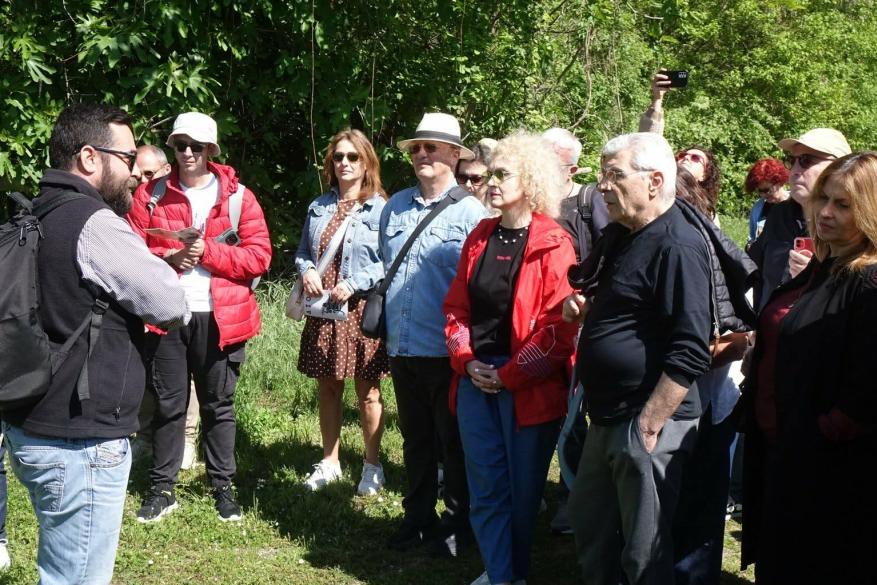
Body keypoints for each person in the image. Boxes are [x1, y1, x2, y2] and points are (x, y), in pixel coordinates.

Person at [1, 103, 188, 585]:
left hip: (31, 423)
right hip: (79, 441)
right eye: (127, 159)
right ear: (89, 157)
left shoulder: (36, 210)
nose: (135, 174)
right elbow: (167, 301)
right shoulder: (94, 222)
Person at [564, 132, 713, 584]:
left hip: (647, 420)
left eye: (615, 175)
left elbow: (691, 348)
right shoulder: (627, 234)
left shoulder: (678, 245)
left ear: (654, 182)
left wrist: (648, 426)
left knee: (644, 553)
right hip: (608, 415)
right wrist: (588, 309)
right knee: (593, 533)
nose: (602, 186)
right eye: (601, 175)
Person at [444, 132, 578, 585]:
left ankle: (512, 571)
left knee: (522, 494)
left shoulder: (554, 243)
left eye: (503, 174)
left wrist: (508, 375)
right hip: (475, 379)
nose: (492, 182)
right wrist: (465, 358)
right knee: (485, 490)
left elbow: (558, 328)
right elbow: (456, 309)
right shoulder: (480, 237)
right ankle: (501, 573)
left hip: (527, 389)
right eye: (490, 174)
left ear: (532, 180)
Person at [127, 112, 272, 523]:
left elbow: (260, 256)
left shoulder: (239, 197)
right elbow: (132, 254)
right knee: (169, 405)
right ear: (171, 147)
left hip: (220, 316)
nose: (187, 152)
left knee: (217, 405)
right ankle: (162, 489)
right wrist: (171, 258)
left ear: (211, 150)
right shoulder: (151, 195)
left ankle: (223, 487)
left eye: (196, 145)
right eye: (179, 145)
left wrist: (208, 252)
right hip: (168, 314)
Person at [741, 152, 877, 585]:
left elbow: (868, 383)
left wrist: (825, 431)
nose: (825, 213)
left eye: (842, 205)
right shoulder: (826, 266)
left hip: (828, 470)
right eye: (823, 201)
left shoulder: (868, 281)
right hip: (788, 447)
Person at [380, 112, 487, 556]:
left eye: (432, 147)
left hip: (446, 351)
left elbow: (479, 288)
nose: (421, 154)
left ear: (454, 155)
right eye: (416, 148)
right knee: (415, 440)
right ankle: (417, 518)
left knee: (454, 443)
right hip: (401, 346)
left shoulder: (472, 211)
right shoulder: (396, 205)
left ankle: (459, 525)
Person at [294, 129, 389, 494]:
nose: (345, 163)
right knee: (328, 388)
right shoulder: (319, 206)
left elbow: (389, 259)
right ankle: (330, 461)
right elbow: (303, 251)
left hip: (361, 311)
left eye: (353, 157)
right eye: (338, 157)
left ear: (367, 162)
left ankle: (372, 464)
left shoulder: (382, 208)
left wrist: (356, 282)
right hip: (323, 309)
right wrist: (307, 271)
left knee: (369, 392)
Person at [131, 145, 202, 469]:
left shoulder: (181, 201)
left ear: (163, 171)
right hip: (140, 299)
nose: (139, 179)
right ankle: (144, 435)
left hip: (181, 304)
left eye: (147, 173)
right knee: (143, 367)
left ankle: (187, 439)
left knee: (184, 374)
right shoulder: (129, 202)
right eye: (136, 173)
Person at [748, 128, 851, 310]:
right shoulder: (779, 215)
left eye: (806, 161)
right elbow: (750, 268)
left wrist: (817, 279)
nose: (794, 171)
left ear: (838, 168)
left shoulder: (855, 225)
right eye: (792, 161)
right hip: (770, 333)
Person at [745, 158, 789, 244]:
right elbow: (752, 238)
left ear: (779, 182)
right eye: (759, 191)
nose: (763, 195)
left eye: (766, 190)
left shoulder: (796, 204)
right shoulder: (758, 208)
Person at [456, 138, 496, 205]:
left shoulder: (503, 212)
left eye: (476, 179)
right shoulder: (445, 207)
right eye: (462, 178)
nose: (467, 185)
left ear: (490, 179)